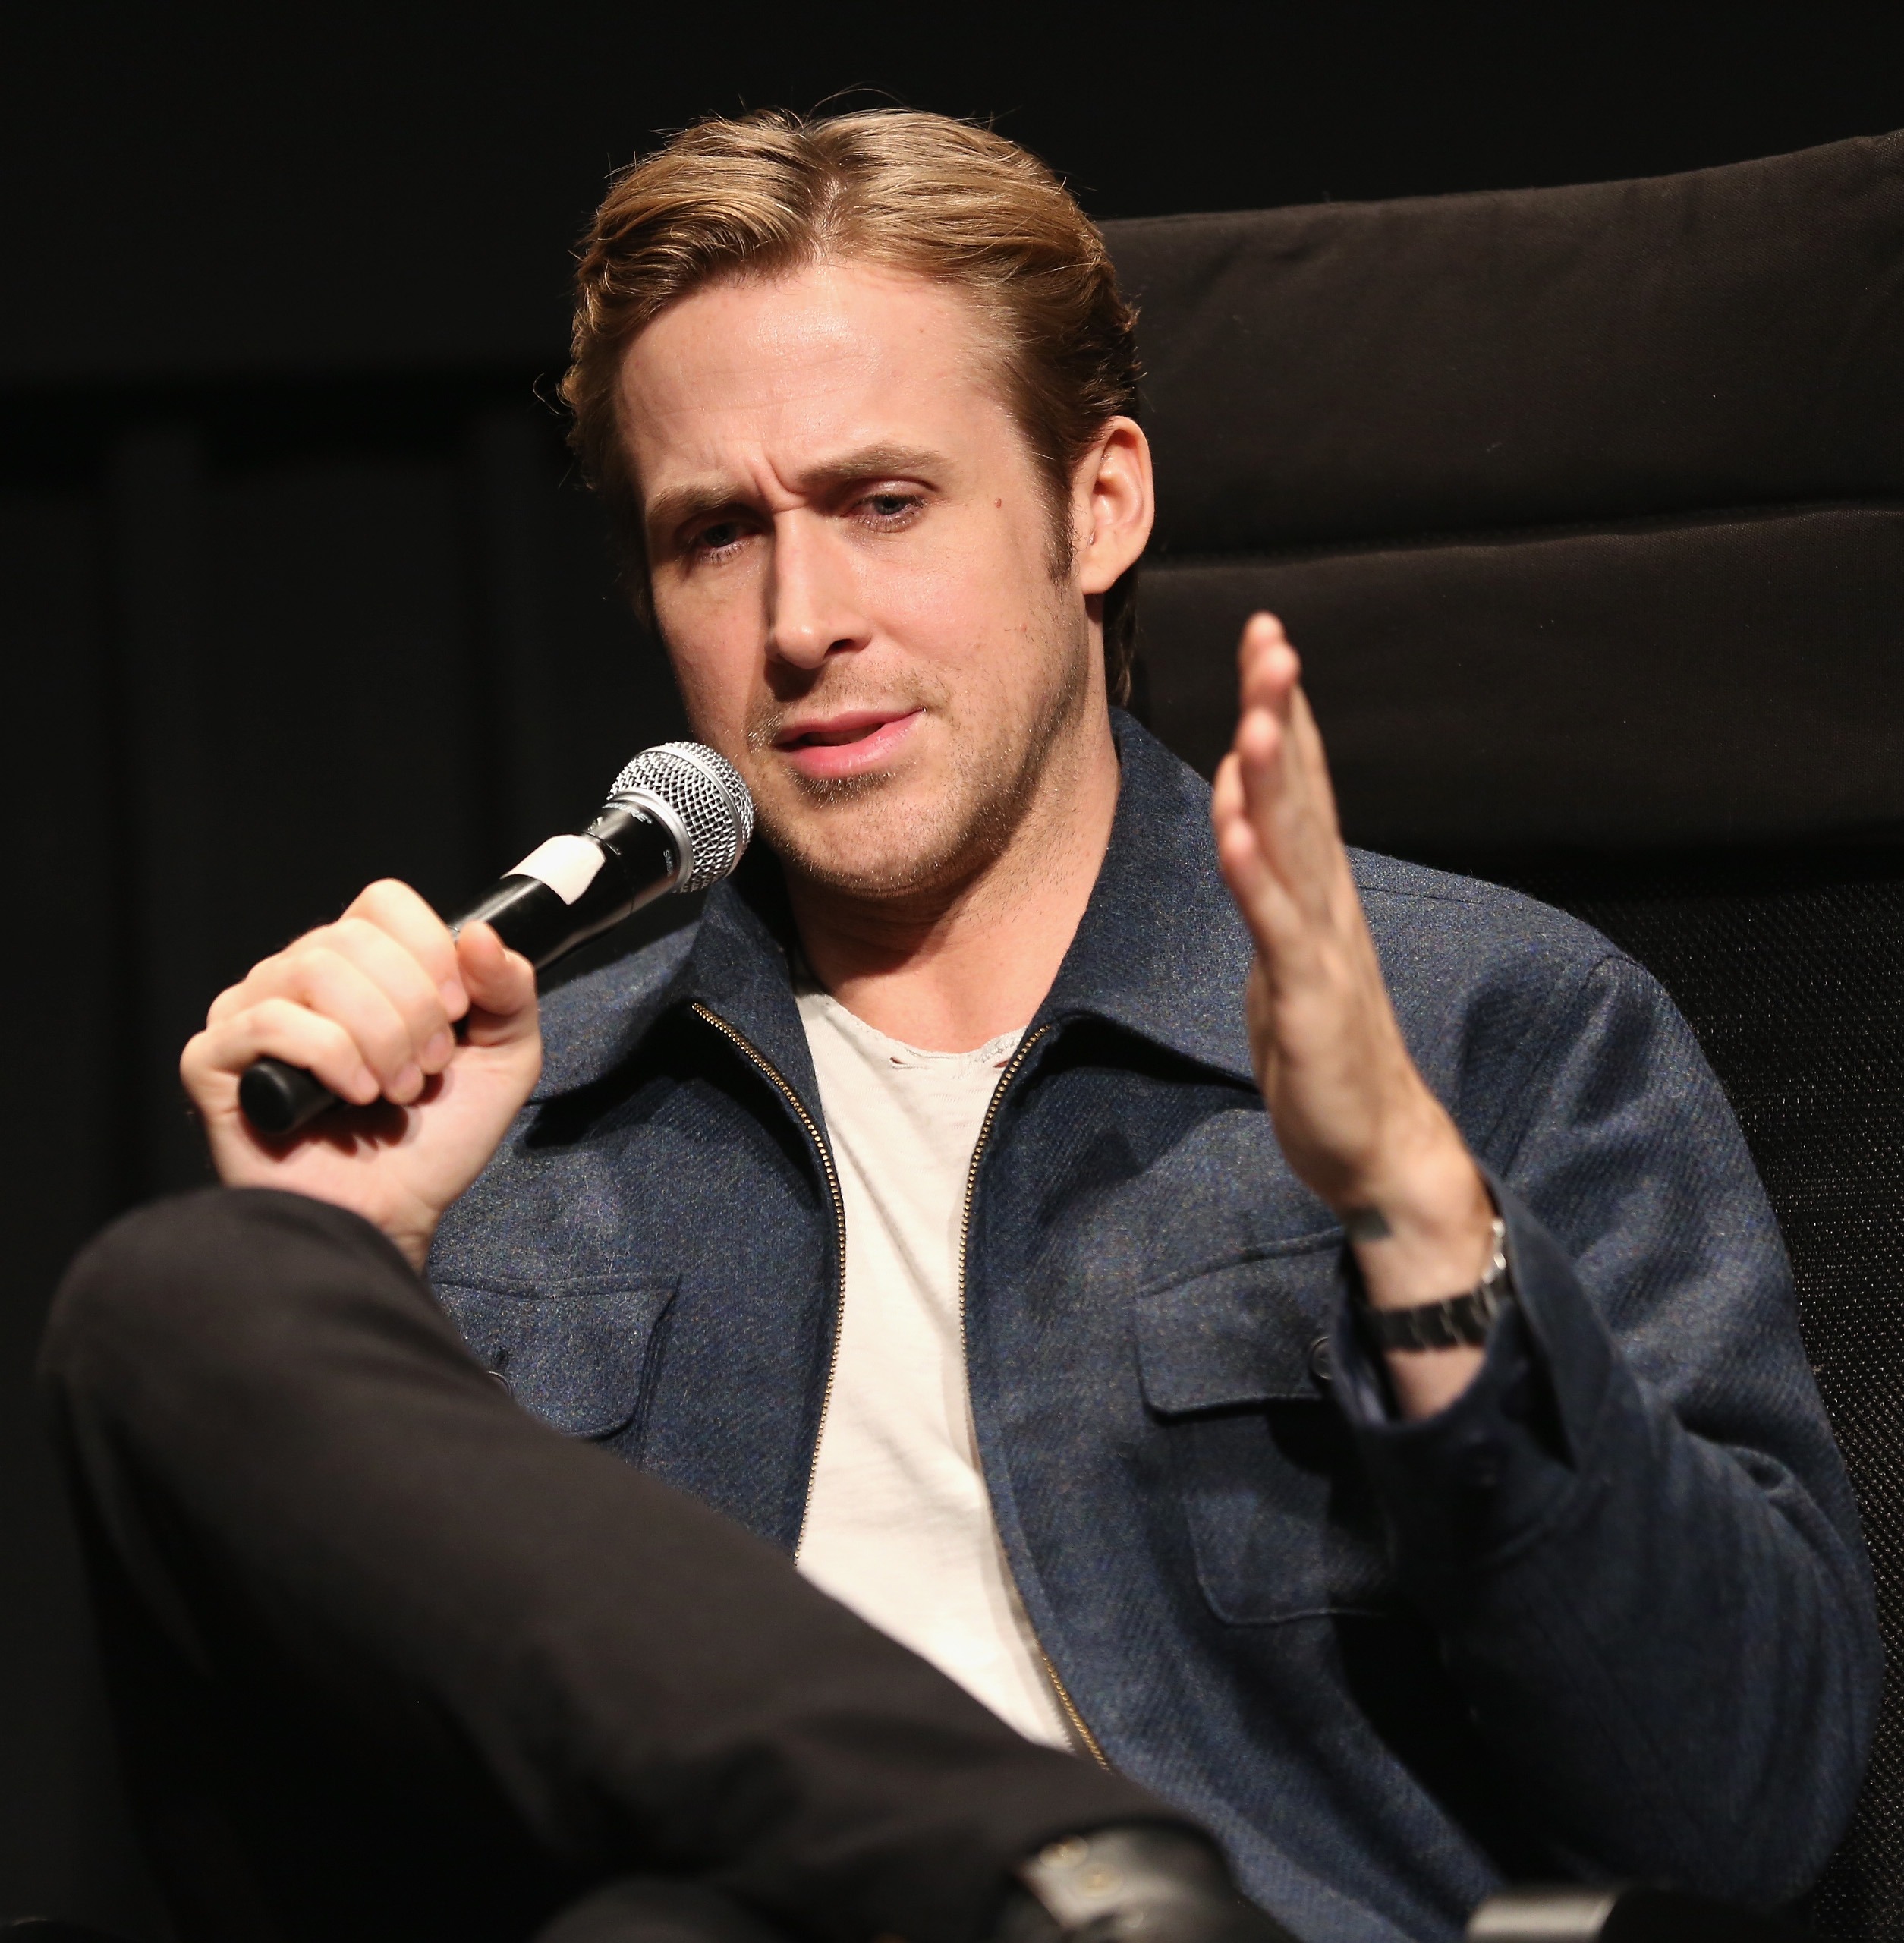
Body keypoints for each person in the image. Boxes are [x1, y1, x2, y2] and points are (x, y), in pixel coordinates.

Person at [53, 109, 1877, 1943]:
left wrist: (1415, 1221)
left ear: (1101, 504)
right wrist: (356, 1269)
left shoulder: (1488, 1026)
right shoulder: (518, 1139)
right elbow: (311, 1877)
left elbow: (1745, 1800)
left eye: (881, 502)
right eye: (712, 537)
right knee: (184, 1294)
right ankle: (1021, 1864)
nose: (801, 620)